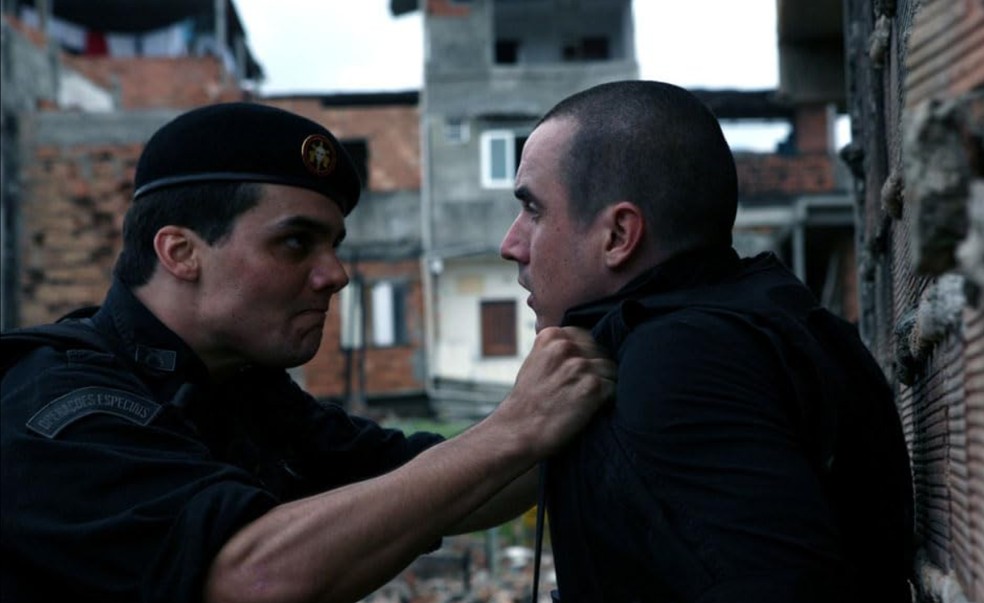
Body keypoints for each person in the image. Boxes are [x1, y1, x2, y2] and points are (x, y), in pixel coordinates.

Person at [0, 102, 617, 603]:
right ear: (180, 252)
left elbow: (430, 485)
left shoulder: (242, 391)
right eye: (296, 243)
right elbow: (251, 578)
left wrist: (619, 371)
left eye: (333, 244)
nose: (335, 274)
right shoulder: (61, 407)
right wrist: (517, 426)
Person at [499, 80, 914, 603]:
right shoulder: (760, 320)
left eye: (533, 210)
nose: (510, 244)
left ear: (618, 235)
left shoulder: (681, 361)